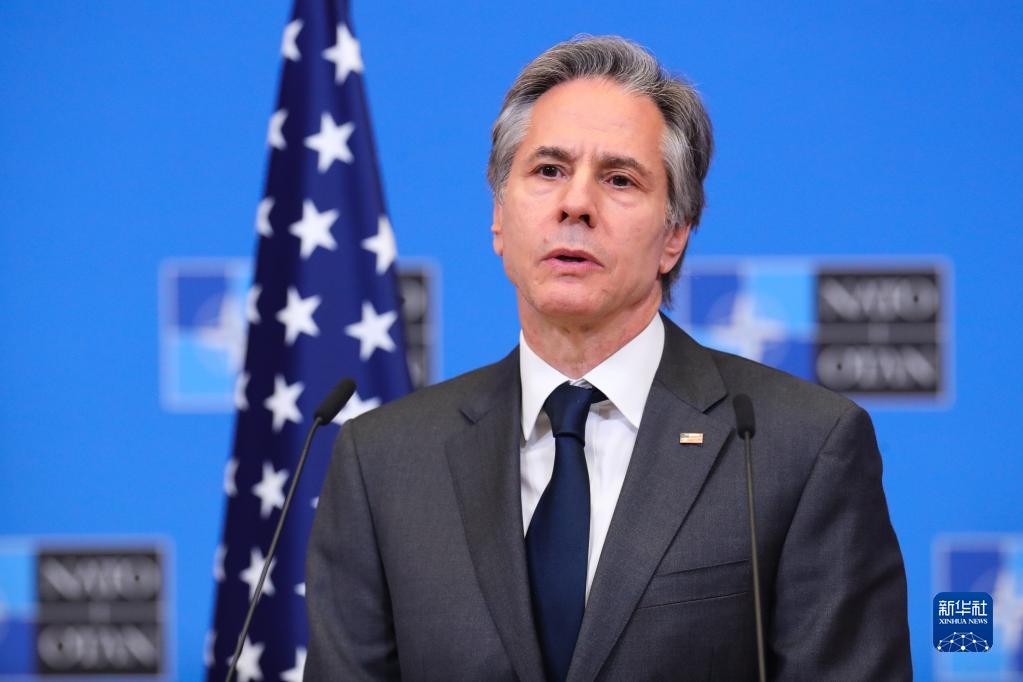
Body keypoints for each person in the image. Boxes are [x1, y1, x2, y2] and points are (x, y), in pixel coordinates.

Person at [306, 36, 911, 680]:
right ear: (499, 219)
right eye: (548, 171)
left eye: (619, 179)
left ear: (674, 235)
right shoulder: (383, 462)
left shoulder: (800, 448)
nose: (576, 204)